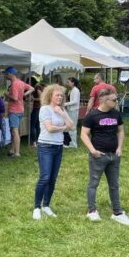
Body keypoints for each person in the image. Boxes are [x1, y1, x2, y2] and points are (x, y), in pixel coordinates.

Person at [80, 88, 129, 226]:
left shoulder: (116, 114)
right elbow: (83, 134)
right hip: (98, 156)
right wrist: (93, 151)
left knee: (114, 185)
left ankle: (117, 213)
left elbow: (121, 131)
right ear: (104, 100)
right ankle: (92, 211)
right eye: (114, 100)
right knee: (93, 183)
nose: (117, 102)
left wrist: (119, 148)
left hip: (114, 156)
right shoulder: (92, 115)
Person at [33, 84, 75, 220]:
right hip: (45, 146)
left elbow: (73, 126)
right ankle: (37, 207)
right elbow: (50, 129)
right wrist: (64, 127)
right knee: (44, 177)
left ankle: (46, 206)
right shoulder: (44, 109)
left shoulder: (61, 109)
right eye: (57, 95)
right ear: (50, 96)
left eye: (62, 95)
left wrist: (62, 113)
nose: (60, 97)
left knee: (52, 178)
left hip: (58, 147)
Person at [4, 67, 34, 158]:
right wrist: (24, 94)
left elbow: (15, 98)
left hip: (14, 110)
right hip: (21, 109)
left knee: (15, 131)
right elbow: (32, 88)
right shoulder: (20, 82)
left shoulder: (14, 84)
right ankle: (12, 150)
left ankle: (17, 152)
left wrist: (7, 95)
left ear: (10, 74)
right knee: (14, 131)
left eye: (6, 74)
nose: (5, 76)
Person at [65, 77, 81, 148]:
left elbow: (75, 101)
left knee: (73, 126)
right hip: (70, 110)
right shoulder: (71, 90)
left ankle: (74, 144)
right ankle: (70, 142)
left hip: (73, 110)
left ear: (73, 83)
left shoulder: (76, 90)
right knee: (70, 126)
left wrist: (65, 104)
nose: (67, 83)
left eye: (68, 82)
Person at [29, 77, 45, 148]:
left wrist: (33, 99)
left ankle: (34, 142)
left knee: (33, 125)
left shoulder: (37, 87)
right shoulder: (38, 86)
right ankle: (38, 141)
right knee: (37, 125)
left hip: (37, 108)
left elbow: (41, 98)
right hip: (38, 108)